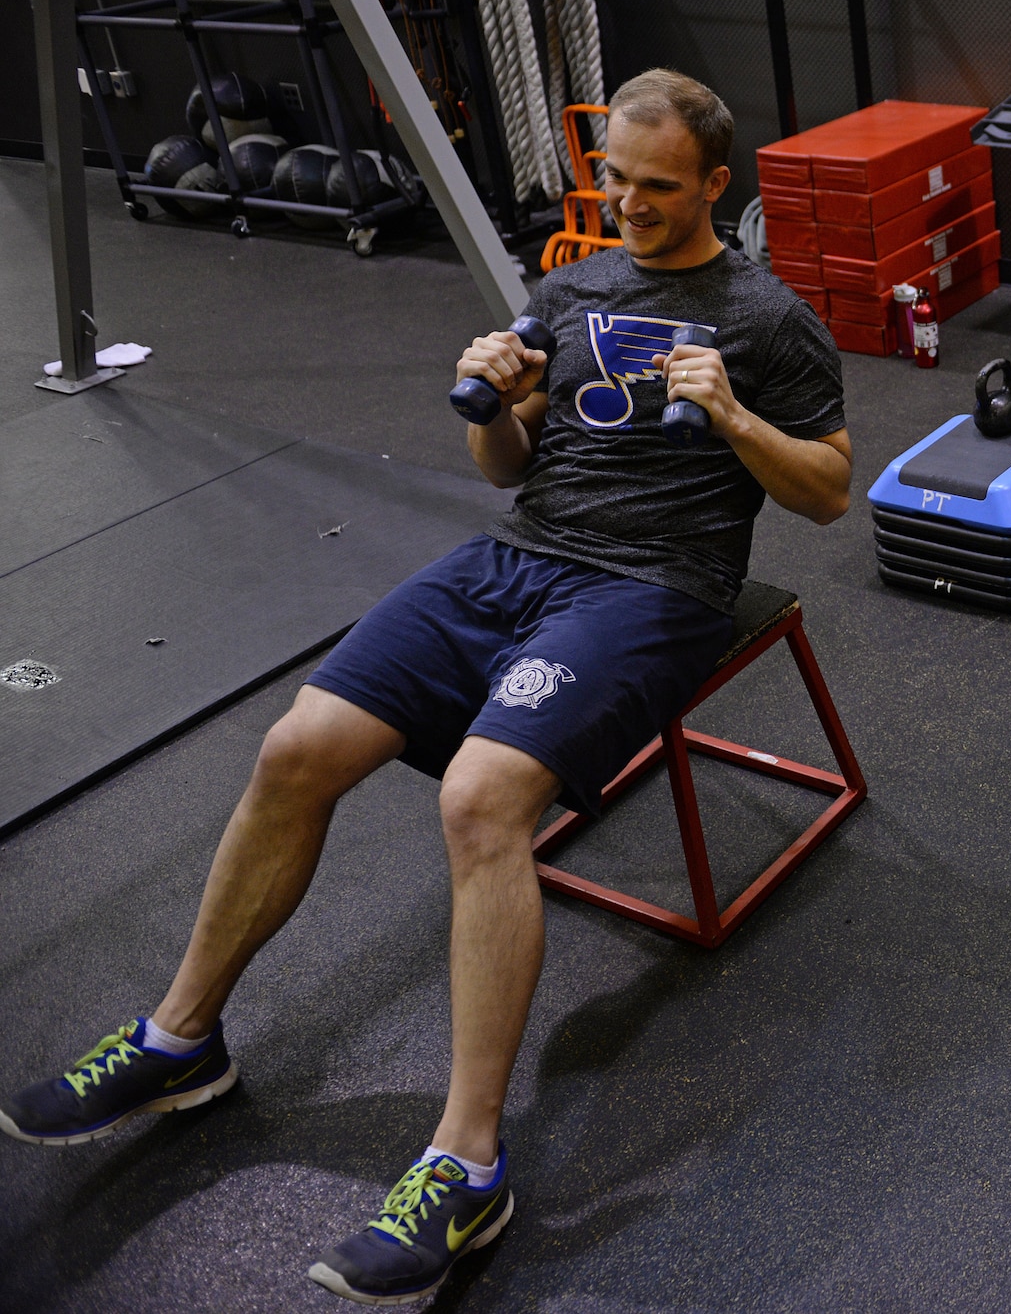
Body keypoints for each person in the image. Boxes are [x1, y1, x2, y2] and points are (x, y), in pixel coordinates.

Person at [0, 69, 852, 1305]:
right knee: (297, 744)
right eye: (611, 178)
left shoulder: (766, 316)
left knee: (480, 797)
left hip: (655, 587)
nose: (627, 203)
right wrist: (501, 402)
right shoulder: (569, 286)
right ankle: (181, 1040)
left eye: (656, 189)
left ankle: (466, 1165)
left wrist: (729, 418)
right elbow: (505, 465)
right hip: (517, 557)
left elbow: (828, 492)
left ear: (716, 183)